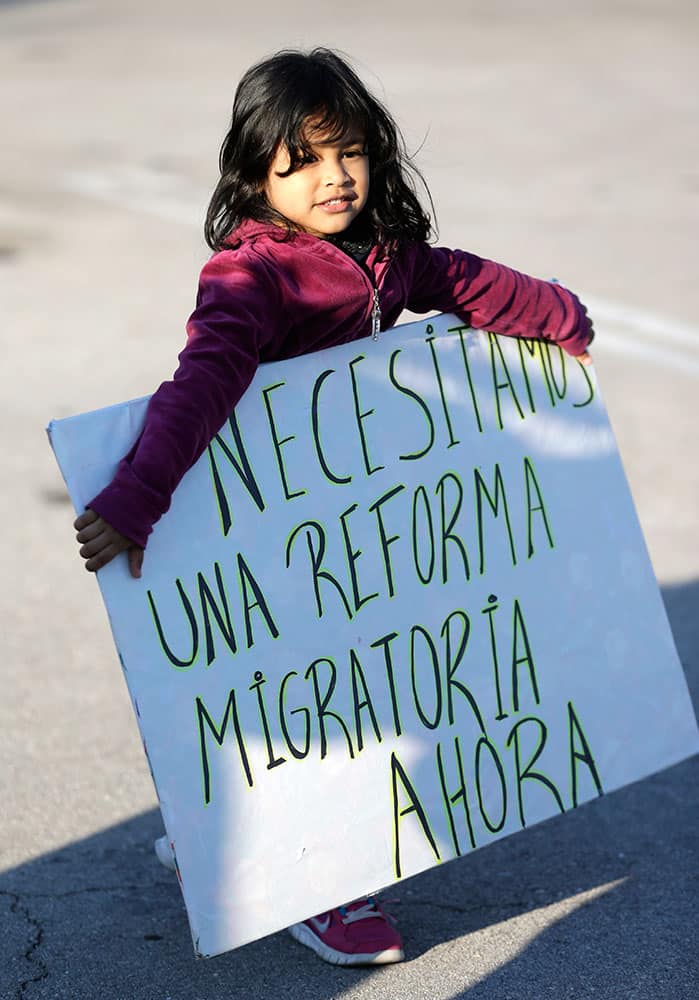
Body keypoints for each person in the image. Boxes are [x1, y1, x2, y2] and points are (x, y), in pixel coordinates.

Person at [74, 47, 594, 967]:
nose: (333, 177)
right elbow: (203, 381)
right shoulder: (253, 276)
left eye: (348, 151)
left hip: (346, 531)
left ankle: (213, 838)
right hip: (258, 525)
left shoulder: (383, 254)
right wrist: (137, 498)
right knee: (315, 706)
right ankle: (323, 883)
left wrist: (557, 316)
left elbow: (463, 279)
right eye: (303, 159)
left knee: (352, 683)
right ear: (253, 173)